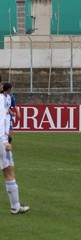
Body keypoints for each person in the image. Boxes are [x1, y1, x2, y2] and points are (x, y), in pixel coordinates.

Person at [0, 85, 30, 214]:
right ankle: (15, 206)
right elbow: (1, 121)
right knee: (9, 172)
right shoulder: (1, 99)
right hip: (1, 140)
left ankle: (15, 206)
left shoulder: (6, 98)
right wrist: (4, 141)